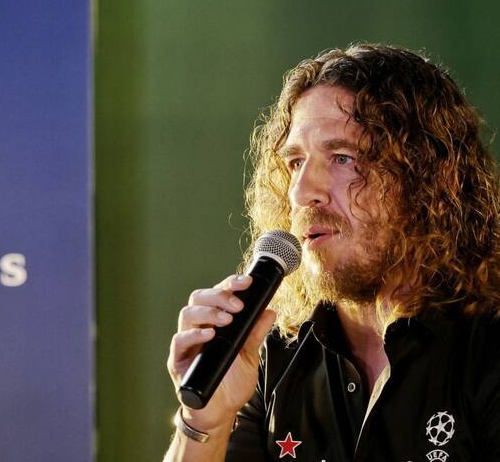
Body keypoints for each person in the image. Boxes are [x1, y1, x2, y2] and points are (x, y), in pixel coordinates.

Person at [164, 44, 500, 461]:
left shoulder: (486, 349)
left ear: (426, 179)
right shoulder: (271, 356)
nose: (303, 192)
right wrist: (205, 423)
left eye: (343, 158)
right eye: (295, 162)